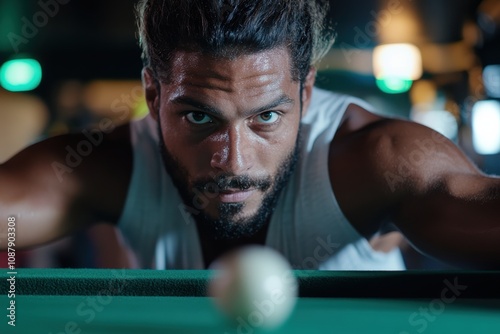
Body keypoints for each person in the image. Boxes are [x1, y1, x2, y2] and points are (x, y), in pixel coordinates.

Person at [1, 0, 499, 270]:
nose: (232, 160)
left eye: (265, 118)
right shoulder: (110, 167)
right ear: (153, 96)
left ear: (305, 92)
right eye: (199, 118)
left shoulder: (374, 162)